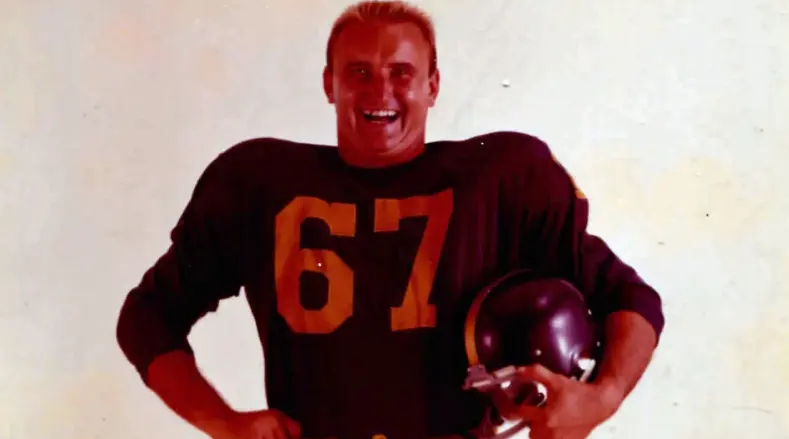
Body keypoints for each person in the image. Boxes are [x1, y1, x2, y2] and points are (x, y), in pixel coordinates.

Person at [115, 2, 665, 439]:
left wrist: (600, 399)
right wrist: (226, 425)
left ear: (432, 86)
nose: (382, 92)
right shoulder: (257, 183)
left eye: (402, 72)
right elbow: (147, 317)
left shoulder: (500, 179)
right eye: (360, 73)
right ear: (330, 84)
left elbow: (629, 298)